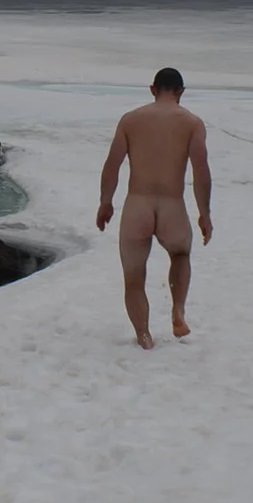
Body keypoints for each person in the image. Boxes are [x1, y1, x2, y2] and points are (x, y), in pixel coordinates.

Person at [95, 66, 211, 348]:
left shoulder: (131, 120)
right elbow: (201, 171)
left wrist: (105, 202)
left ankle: (144, 337)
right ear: (181, 92)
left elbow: (112, 164)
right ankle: (178, 311)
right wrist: (204, 213)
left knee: (134, 277)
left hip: (137, 205)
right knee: (181, 255)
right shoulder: (192, 123)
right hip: (172, 206)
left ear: (152, 89)